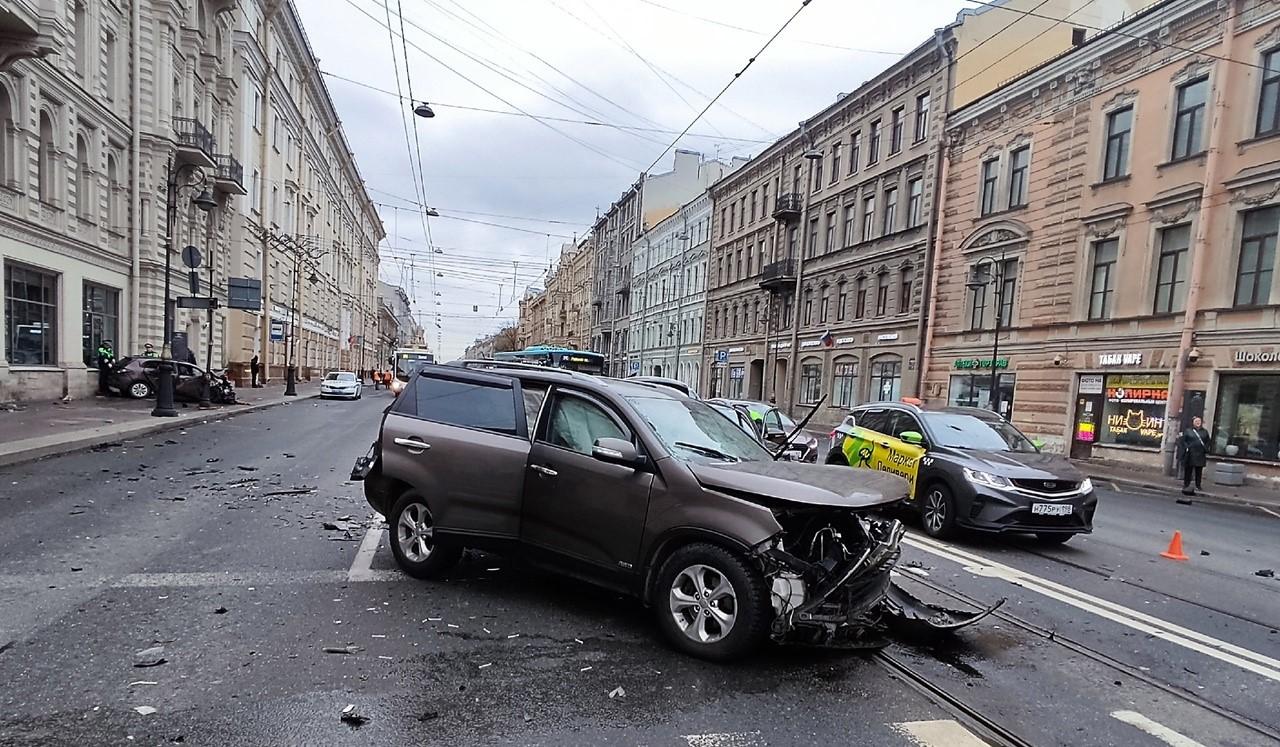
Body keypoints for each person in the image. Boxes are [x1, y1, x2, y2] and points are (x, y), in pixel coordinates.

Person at [1179, 416, 1211, 495]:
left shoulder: (1204, 432)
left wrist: (1205, 449)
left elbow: (1208, 441)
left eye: (1199, 421)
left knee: (1198, 470)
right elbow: (1183, 440)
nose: (1198, 422)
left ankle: (1198, 485)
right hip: (1190, 453)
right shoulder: (1188, 431)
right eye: (1196, 421)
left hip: (1200, 453)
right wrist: (1187, 448)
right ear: (1193, 422)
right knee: (1188, 470)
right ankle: (1186, 484)